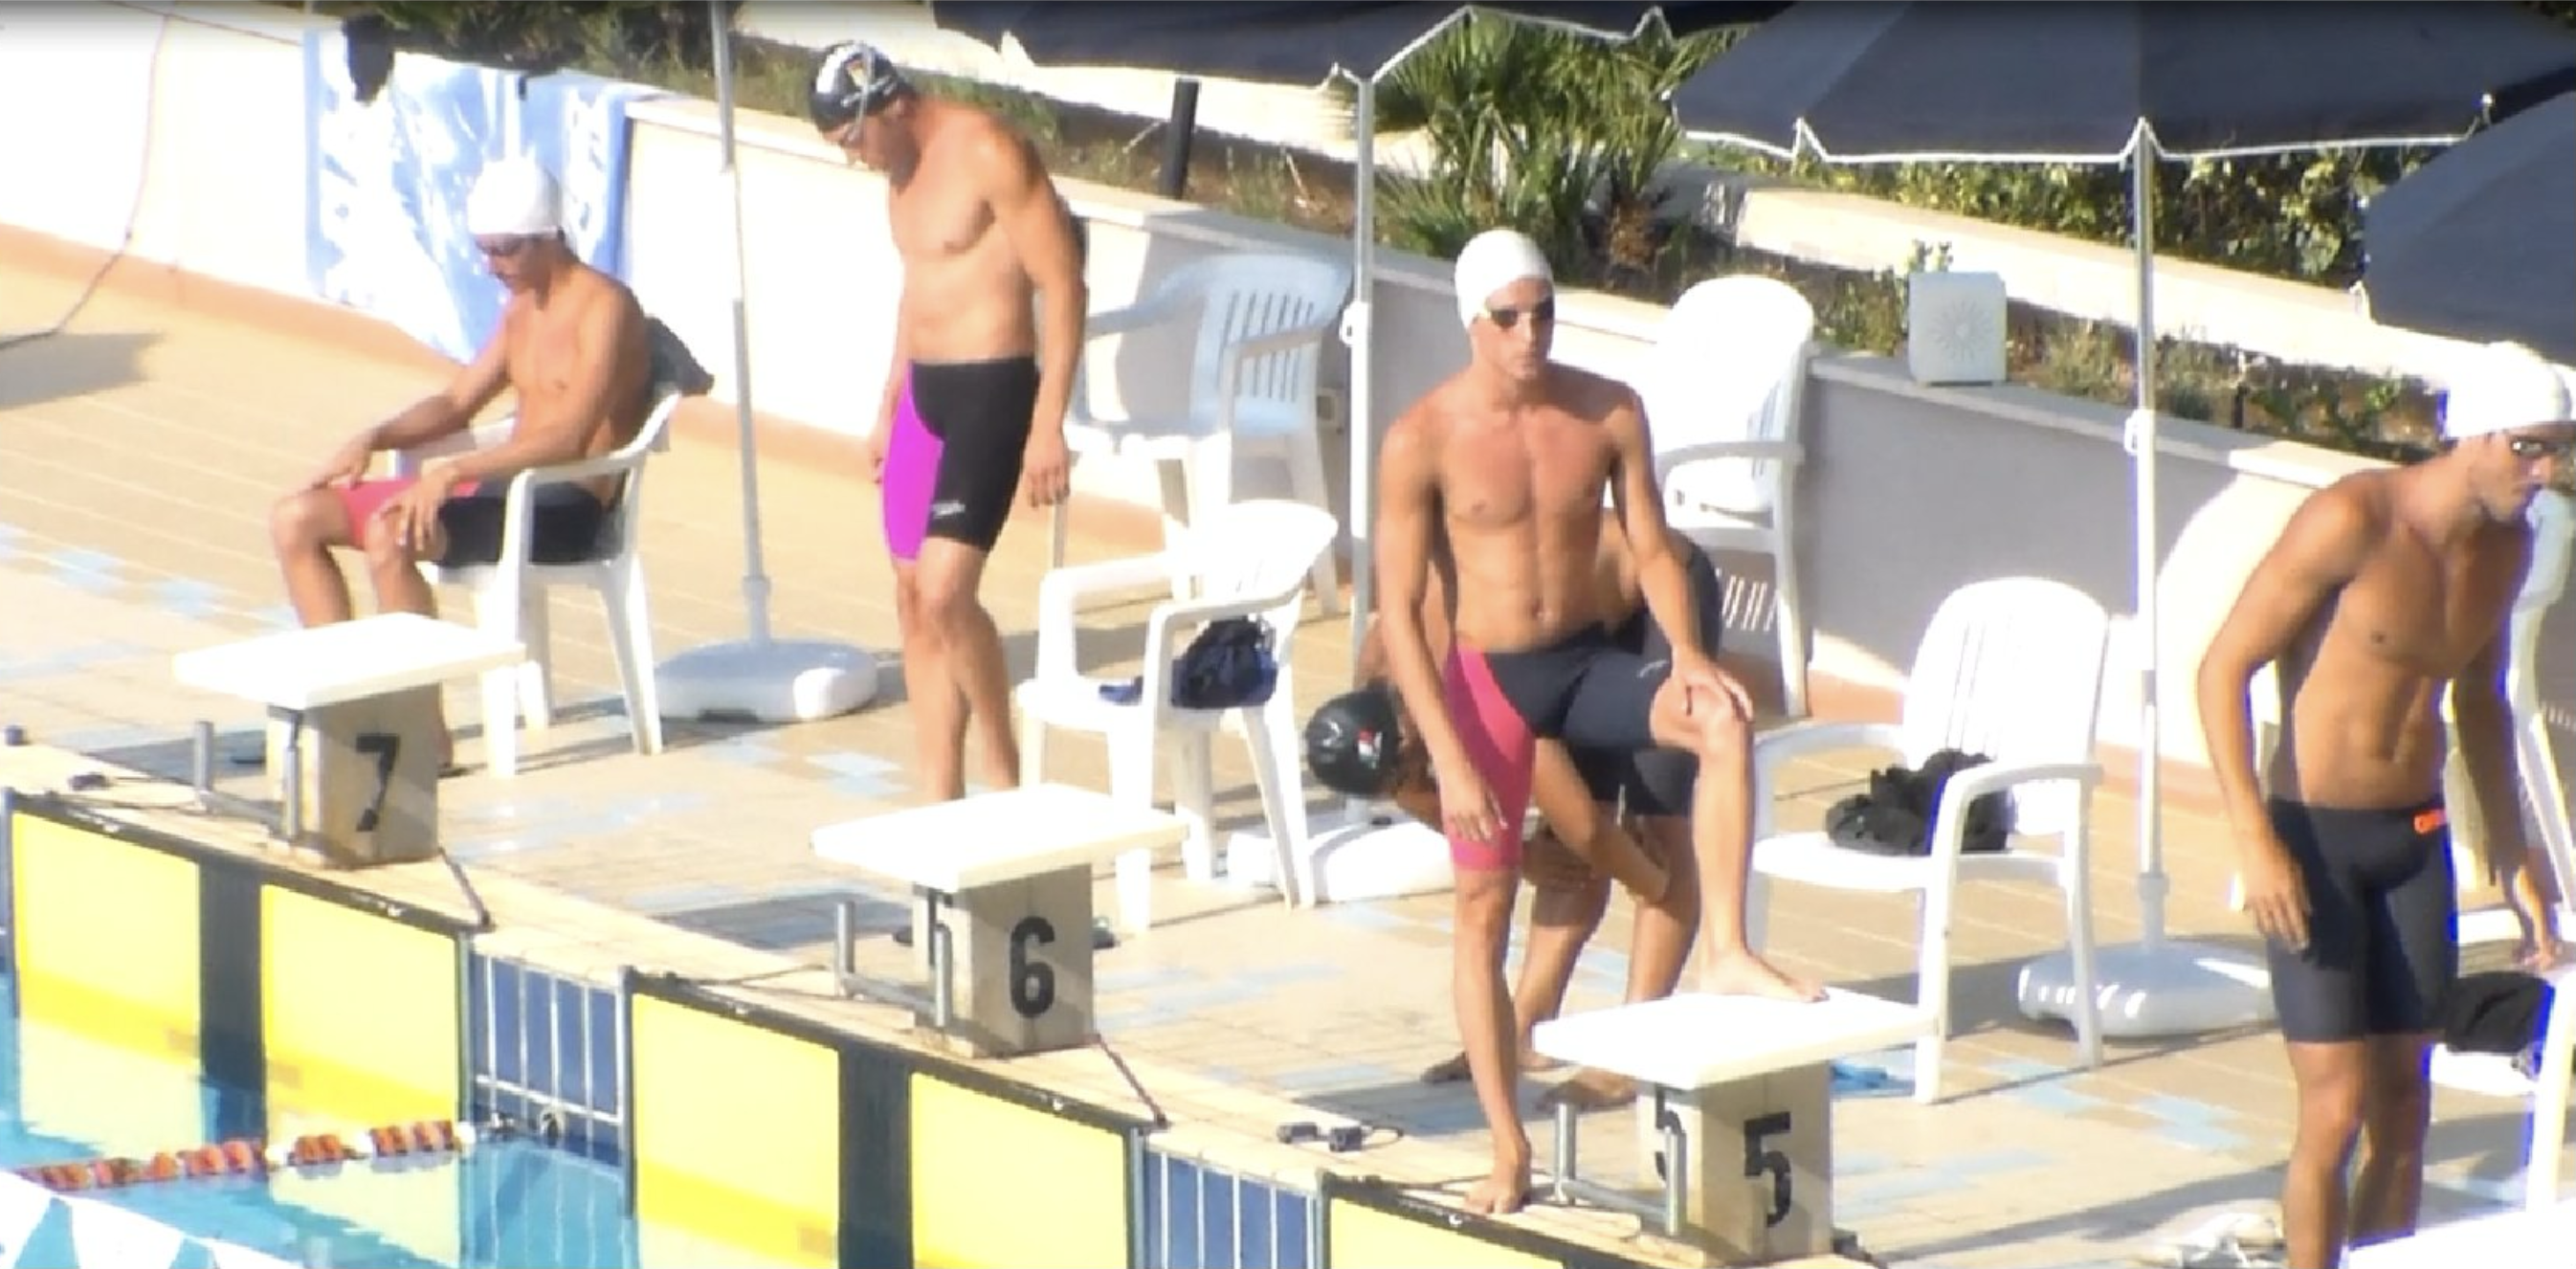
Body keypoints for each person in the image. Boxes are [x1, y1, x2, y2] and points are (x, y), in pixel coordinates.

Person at [1372, 227, 1822, 1215]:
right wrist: (1447, 754)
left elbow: (1655, 548)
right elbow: (1400, 614)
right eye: (1508, 318)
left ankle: (1726, 951)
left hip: (1588, 661)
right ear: (1471, 323)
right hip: (1491, 683)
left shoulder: (1607, 410)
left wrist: (1694, 658)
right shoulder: (1422, 439)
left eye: (1542, 312)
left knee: (1721, 726)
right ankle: (1506, 1149)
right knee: (1479, 913)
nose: (1529, 334)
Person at [2196, 339, 2573, 1269]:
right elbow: (2221, 670)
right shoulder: (2350, 520)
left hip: (2414, 840)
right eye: (2530, 448)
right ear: (2472, 435)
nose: (2547, 472)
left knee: (2405, 1102)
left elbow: (2479, 699)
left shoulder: (2508, 545)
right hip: (2311, 841)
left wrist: (2514, 853)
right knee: (2332, 1109)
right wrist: (2253, 837)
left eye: (2560, 449)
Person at [1329, 509, 1728, 1112]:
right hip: (1566, 628)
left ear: (1412, 719)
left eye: (1418, 765)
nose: (1423, 779)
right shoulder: (1384, 672)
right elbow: (1412, 789)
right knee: (1566, 849)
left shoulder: (1478, 669)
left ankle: (1633, 1054)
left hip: (1652, 596)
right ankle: (1521, 1029)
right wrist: (1523, 853)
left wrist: (1651, 884)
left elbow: (1588, 827)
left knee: (1653, 826)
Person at [268, 155, 655, 768]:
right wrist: (374, 436)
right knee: (296, 519)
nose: (491, 266)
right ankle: (347, 711)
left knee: (390, 535)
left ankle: (422, 734)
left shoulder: (606, 308)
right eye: (484, 249)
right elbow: (457, 401)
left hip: (565, 503)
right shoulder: (522, 308)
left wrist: (452, 472)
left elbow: (573, 437)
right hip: (499, 490)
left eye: (503, 251)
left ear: (548, 238)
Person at [810, 41, 1086, 804]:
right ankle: (939, 798)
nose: (853, 159)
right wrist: (888, 402)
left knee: (944, 594)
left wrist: (1048, 422)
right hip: (923, 402)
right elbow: (918, 289)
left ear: (889, 107)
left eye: (851, 141)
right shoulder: (897, 171)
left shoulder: (990, 150)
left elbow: (1062, 284)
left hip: (993, 392)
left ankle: (1005, 776)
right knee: (909, 597)